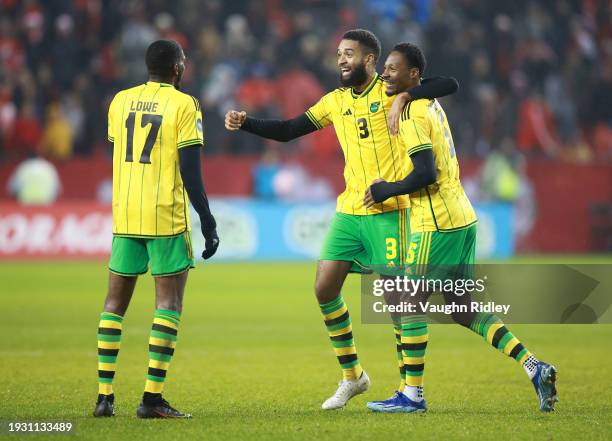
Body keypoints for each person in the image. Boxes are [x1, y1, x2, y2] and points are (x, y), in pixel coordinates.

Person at [225, 29, 458, 410]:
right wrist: (247, 122)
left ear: (370, 60)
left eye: (349, 54)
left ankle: (410, 389)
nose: (341, 61)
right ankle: (354, 376)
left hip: (390, 209)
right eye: (338, 54)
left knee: (398, 301)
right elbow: (288, 130)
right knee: (324, 287)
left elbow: (449, 83)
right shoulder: (334, 102)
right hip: (350, 209)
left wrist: (406, 94)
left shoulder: (388, 91)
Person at [363, 43, 558, 413]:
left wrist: (385, 189)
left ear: (413, 75)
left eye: (393, 68)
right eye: (384, 68)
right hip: (462, 219)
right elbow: (448, 82)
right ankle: (535, 366)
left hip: (436, 222)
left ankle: (411, 395)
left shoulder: (410, 114)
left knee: (408, 300)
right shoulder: (428, 101)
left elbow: (425, 173)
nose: (385, 73)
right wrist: (406, 91)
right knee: (462, 309)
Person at [93, 40, 219, 419]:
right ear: (178, 68)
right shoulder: (185, 104)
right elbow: (191, 172)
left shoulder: (119, 101)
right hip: (164, 216)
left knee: (114, 304)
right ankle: (151, 399)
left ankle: (104, 397)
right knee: (168, 304)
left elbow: (119, 150)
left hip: (126, 216)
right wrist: (208, 222)